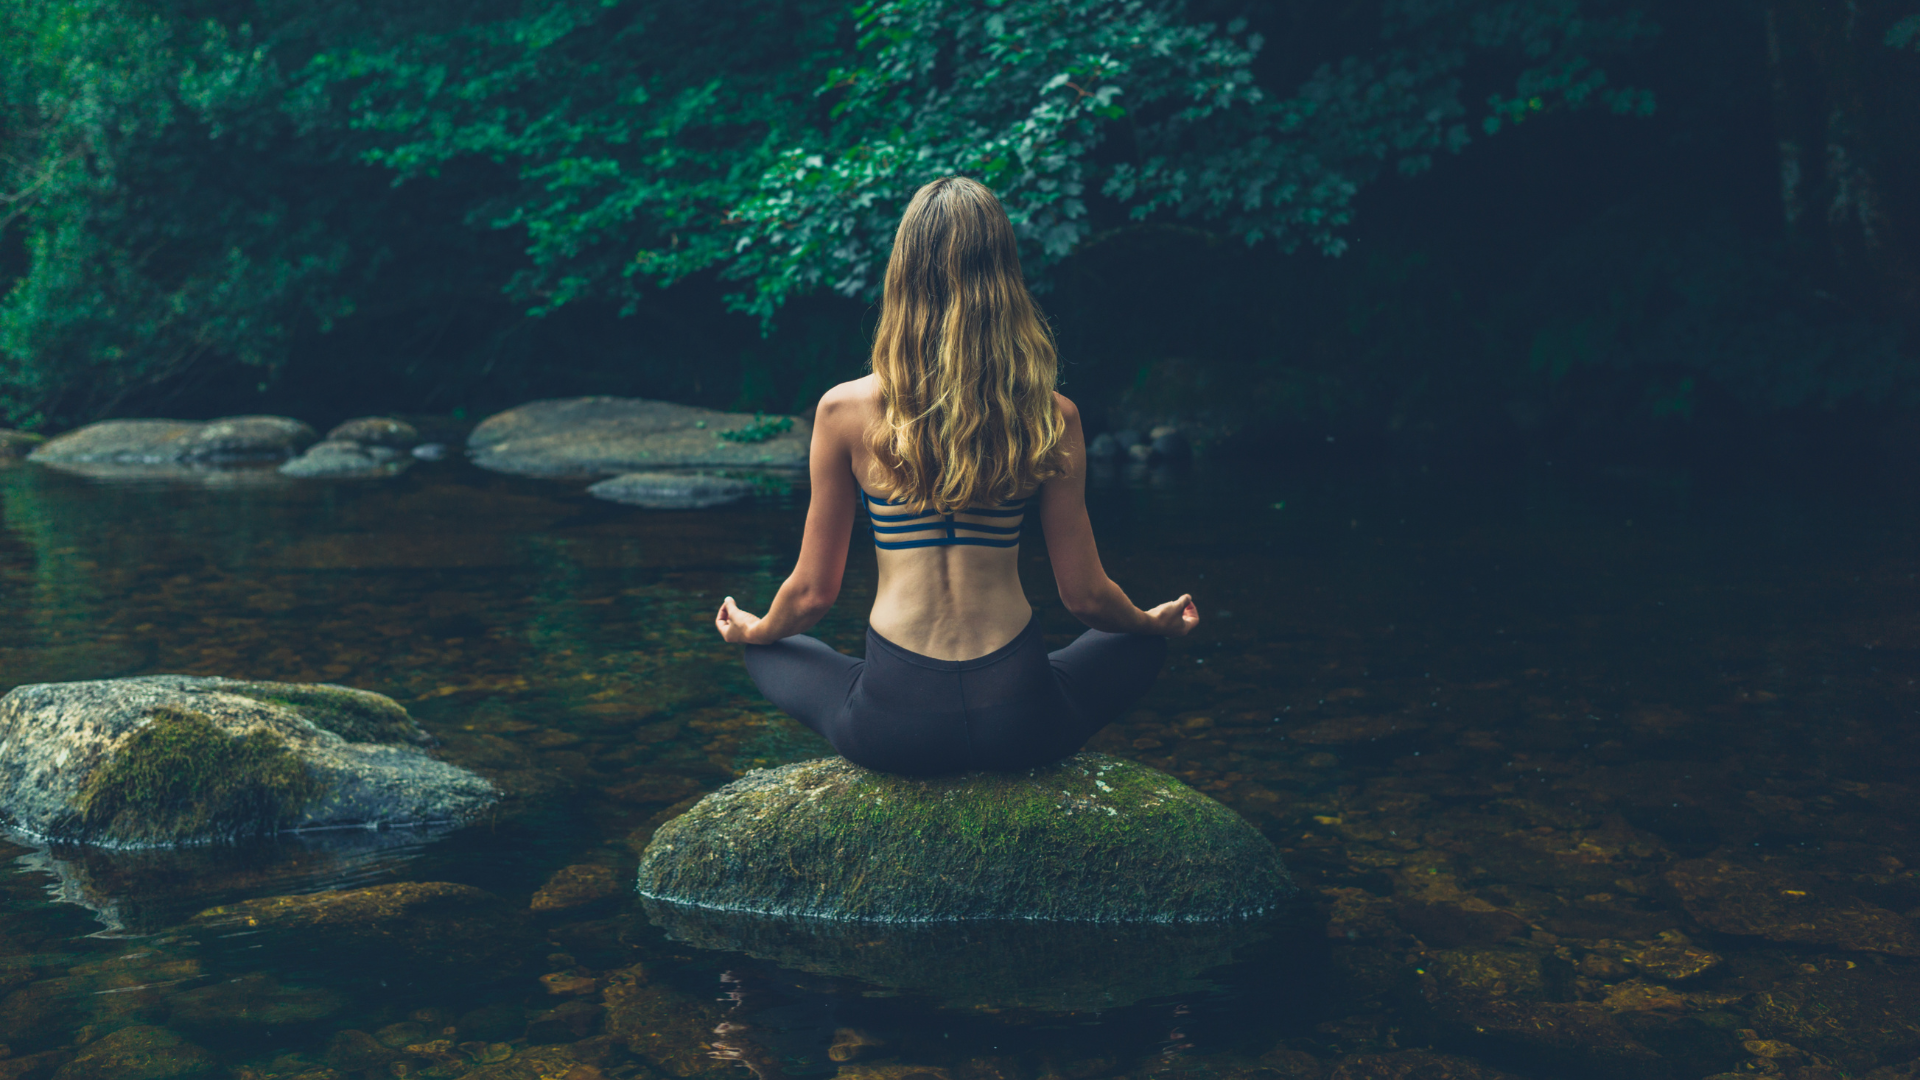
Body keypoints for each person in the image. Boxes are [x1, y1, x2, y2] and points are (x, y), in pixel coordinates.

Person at [712, 176, 1199, 776]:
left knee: (772, 649)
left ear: (902, 276)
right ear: (1004, 281)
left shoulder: (842, 411)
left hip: (894, 725)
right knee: (1139, 642)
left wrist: (754, 633)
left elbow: (813, 596)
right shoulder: (1052, 415)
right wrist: (1150, 622)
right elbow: (1086, 597)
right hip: (1019, 718)